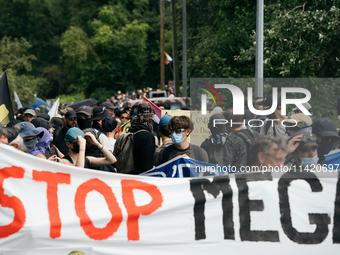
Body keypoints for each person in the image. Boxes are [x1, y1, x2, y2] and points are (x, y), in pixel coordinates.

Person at [127, 102, 156, 173]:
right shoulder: (148, 136)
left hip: (128, 174)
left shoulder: (132, 130)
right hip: (141, 178)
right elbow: (147, 167)